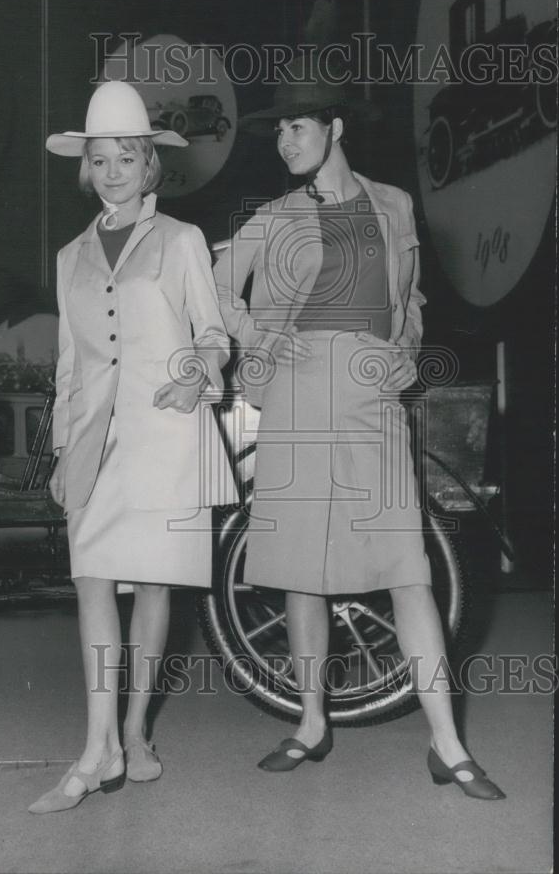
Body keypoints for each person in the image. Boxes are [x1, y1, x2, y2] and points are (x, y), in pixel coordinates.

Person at [212, 57, 505, 800]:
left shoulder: (394, 205)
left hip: (371, 402)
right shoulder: (274, 218)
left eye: (297, 126)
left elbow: (411, 297)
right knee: (300, 573)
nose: (283, 140)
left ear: (333, 128)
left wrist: (401, 354)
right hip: (299, 395)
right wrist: (255, 333)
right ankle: (311, 723)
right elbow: (211, 281)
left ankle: (447, 742)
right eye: (276, 129)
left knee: (408, 570)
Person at [28, 80, 236, 814]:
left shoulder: (179, 243)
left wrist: (196, 377)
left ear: (149, 164)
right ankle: (99, 747)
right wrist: (61, 448)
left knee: (153, 586)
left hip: (165, 437)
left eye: (126, 156)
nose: (113, 169)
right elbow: (67, 363)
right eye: (100, 158)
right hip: (94, 442)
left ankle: (135, 730)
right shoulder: (69, 257)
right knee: (91, 582)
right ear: (86, 166)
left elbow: (213, 336)